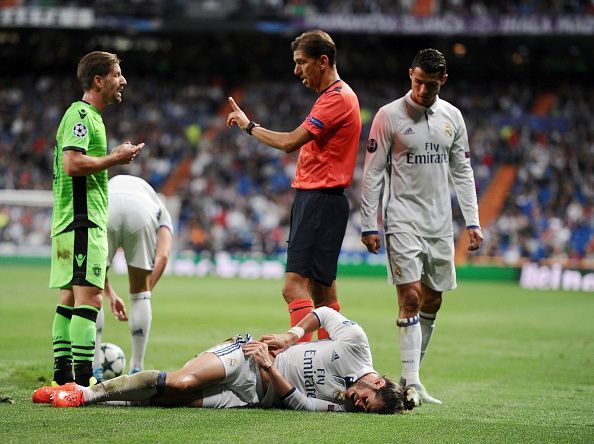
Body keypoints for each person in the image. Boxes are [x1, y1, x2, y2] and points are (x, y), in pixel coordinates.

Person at [360, 49, 484, 405]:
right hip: (401, 220)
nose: (423, 90)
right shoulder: (388, 116)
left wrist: (472, 220)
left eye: (430, 85)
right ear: (410, 74)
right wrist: (371, 223)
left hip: (440, 223)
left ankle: (410, 374)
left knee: (433, 299)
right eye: (418, 82)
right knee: (411, 297)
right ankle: (411, 382)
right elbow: (373, 173)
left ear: (442, 82)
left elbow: (462, 171)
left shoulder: (452, 117)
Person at [226, 30, 362, 342]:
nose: (296, 70)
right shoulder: (337, 97)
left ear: (323, 61)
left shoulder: (337, 98)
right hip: (323, 200)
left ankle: (302, 365)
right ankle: (333, 363)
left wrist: (249, 126)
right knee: (324, 291)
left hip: (319, 199)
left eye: (302, 62)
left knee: (293, 287)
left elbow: (289, 142)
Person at [41, 307, 417, 414]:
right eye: (366, 401)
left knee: (177, 401)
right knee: (181, 382)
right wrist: (291, 336)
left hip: (253, 394)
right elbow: (322, 313)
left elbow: (300, 403)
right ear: (377, 383)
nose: (358, 404)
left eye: (364, 409)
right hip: (245, 358)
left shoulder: (345, 408)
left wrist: (271, 369)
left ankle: (96, 395)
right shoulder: (356, 344)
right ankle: (84, 395)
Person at [48, 51, 144, 388]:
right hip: (81, 221)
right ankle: (85, 379)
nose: (123, 81)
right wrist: (114, 158)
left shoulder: (88, 117)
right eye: (118, 74)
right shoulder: (81, 115)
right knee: (89, 300)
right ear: (99, 80)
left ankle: (63, 379)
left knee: (69, 299)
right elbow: (73, 164)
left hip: (70, 223)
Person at [93, 175, 174, 381]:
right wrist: (144, 293)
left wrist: (108, 294)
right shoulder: (159, 206)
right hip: (141, 213)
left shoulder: (114, 186)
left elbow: (96, 272)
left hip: (106, 205)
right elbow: (163, 256)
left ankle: (94, 369)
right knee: (140, 295)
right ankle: (137, 369)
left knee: (91, 287)